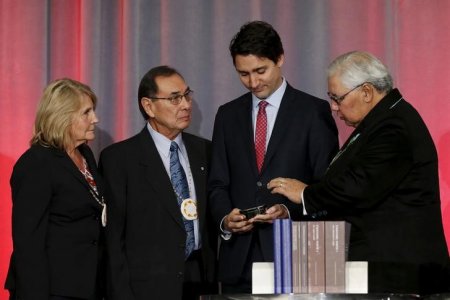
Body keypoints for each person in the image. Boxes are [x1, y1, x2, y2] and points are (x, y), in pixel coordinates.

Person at [268, 51, 450, 294]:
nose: (333, 107)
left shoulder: (393, 126)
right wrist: (294, 209)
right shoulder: (380, 120)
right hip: (386, 270)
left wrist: (305, 194)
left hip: (399, 274)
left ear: (366, 92)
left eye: (337, 98)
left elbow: (357, 187)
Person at [208, 20, 339, 293]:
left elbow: (328, 188)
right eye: (243, 74)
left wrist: (288, 211)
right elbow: (217, 183)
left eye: (260, 70)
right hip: (239, 262)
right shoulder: (227, 115)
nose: (253, 82)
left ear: (280, 58)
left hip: (300, 256)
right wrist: (225, 219)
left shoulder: (313, 112)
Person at [99, 66, 217, 300]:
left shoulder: (206, 151)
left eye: (186, 95)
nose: (185, 104)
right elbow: (113, 240)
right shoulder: (119, 159)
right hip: (147, 287)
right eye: (174, 99)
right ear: (148, 106)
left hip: (201, 282)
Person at [5, 79, 105, 300]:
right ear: (63, 117)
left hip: (86, 286)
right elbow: (28, 243)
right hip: (52, 289)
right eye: (86, 113)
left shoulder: (85, 155)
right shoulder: (36, 164)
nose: (95, 119)